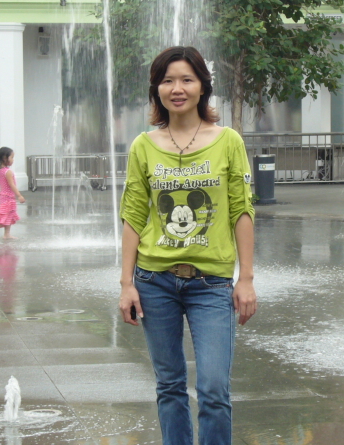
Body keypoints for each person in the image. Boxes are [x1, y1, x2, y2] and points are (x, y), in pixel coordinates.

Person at [118, 46, 257, 445]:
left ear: (202, 87)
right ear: (156, 89)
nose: (176, 89)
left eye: (186, 79)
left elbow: (241, 210)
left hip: (211, 283)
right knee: (169, 385)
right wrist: (126, 284)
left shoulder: (228, 141)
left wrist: (246, 278)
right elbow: (133, 215)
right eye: (167, 80)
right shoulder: (143, 146)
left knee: (214, 388)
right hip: (154, 280)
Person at [0, 147, 25, 240]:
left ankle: (7, 234)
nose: (13, 160)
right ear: (5, 158)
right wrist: (19, 195)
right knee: (5, 216)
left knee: (9, 215)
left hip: (3, 197)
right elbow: (12, 185)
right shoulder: (8, 172)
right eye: (12, 157)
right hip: (8, 198)